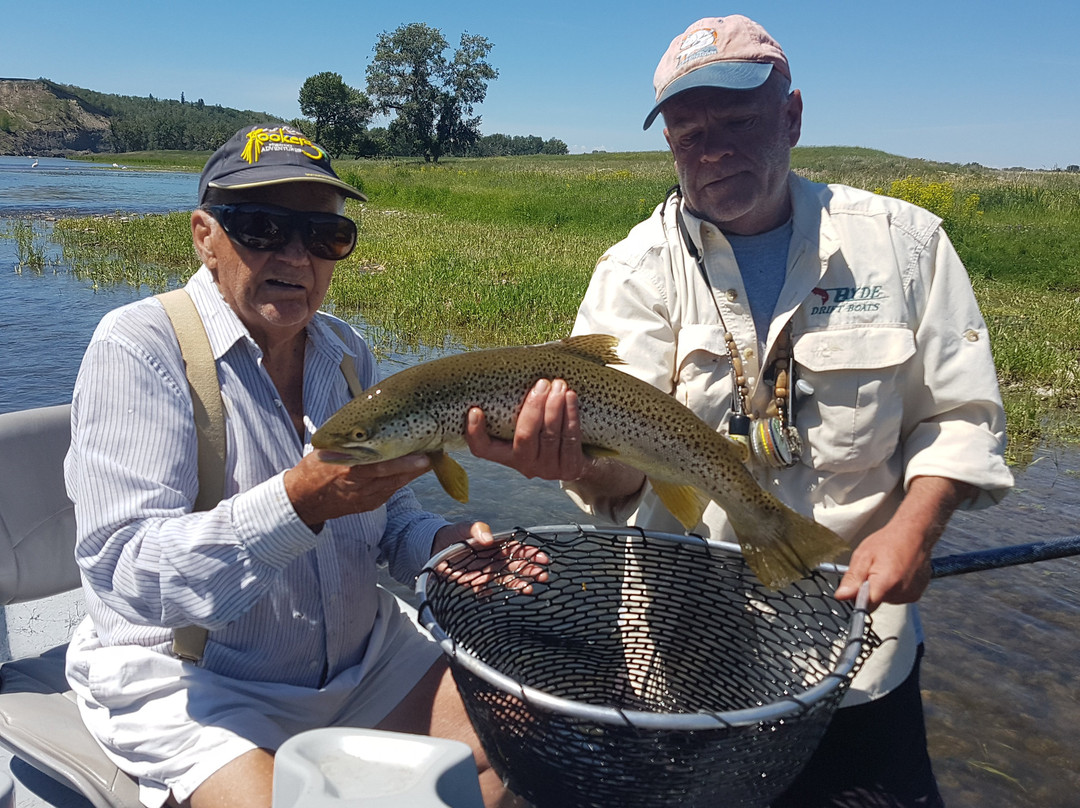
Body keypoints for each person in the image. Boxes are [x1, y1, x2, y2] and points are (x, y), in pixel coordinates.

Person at [465, 15, 1014, 807]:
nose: (712, 148)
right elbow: (624, 469)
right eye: (689, 133)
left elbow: (960, 417)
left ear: (791, 115)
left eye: (737, 120)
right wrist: (574, 459)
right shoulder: (632, 273)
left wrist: (914, 527)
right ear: (669, 145)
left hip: (856, 652)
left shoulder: (906, 246)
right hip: (678, 660)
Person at [64, 124, 527, 808]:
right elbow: (125, 572)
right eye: (260, 227)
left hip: (364, 662)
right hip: (200, 684)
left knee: (528, 729)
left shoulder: (346, 353)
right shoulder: (139, 347)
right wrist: (297, 503)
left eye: (324, 236)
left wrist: (438, 546)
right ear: (204, 235)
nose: (296, 256)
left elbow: (389, 516)